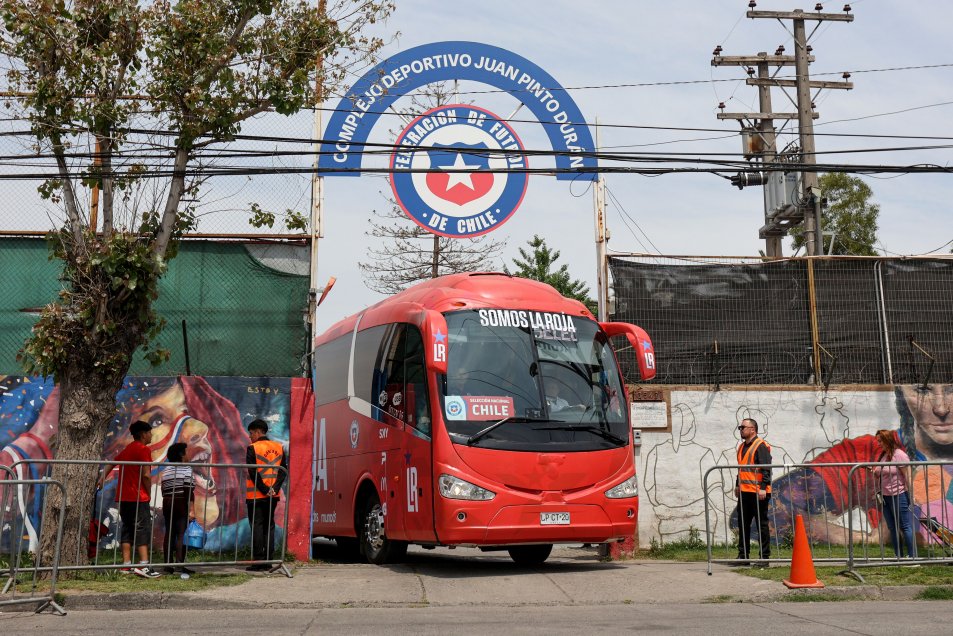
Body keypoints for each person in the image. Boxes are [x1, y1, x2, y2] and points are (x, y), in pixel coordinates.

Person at [98, 420, 161, 578]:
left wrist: (102, 478)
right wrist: (148, 491)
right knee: (142, 529)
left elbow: (112, 463)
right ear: (143, 434)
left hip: (124, 497)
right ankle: (144, 565)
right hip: (139, 497)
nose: (151, 435)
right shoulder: (144, 449)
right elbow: (146, 475)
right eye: (150, 433)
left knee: (127, 528)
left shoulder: (128, 449)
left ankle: (126, 565)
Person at [245, 419, 287, 571]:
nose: (250, 436)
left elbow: (253, 472)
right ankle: (268, 561)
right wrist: (274, 489)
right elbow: (282, 472)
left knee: (257, 526)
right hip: (272, 496)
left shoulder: (253, 448)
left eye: (251, 433)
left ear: (258, 432)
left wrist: (264, 489)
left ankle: (258, 562)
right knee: (269, 526)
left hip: (256, 496)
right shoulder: (279, 447)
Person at [870, 429, 916, 559]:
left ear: (888, 440)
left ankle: (913, 556)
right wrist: (874, 472)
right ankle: (898, 555)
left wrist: (911, 494)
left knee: (904, 526)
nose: (878, 444)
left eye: (880, 441)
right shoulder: (884, 456)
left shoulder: (899, 455)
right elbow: (880, 474)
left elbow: (907, 475)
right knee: (892, 527)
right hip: (885, 497)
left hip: (899, 495)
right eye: (878, 441)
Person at [734, 417, 772, 566]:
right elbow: (741, 468)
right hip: (744, 492)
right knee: (743, 524)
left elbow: (766, 469)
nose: (740, 429)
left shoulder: (760, 446)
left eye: (743, 427)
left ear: (752, 430)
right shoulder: (741, 447)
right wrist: (737, 485)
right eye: (740, 427)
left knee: (762, 525)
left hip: (758, 493)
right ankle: (743, 556)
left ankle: (764, 558)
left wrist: (763, 488)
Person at [160, 442, 196, 578]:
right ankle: (179, 565)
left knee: (169, 533)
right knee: (181, 534)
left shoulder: (166, 470)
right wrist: (191, 509)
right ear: (181, 455)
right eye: (187, 452)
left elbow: (163, 489)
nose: (188, 454)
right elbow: (189, 491)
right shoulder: (186, 469)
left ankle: (167, 565)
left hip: (167, 502)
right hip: (181, 502)